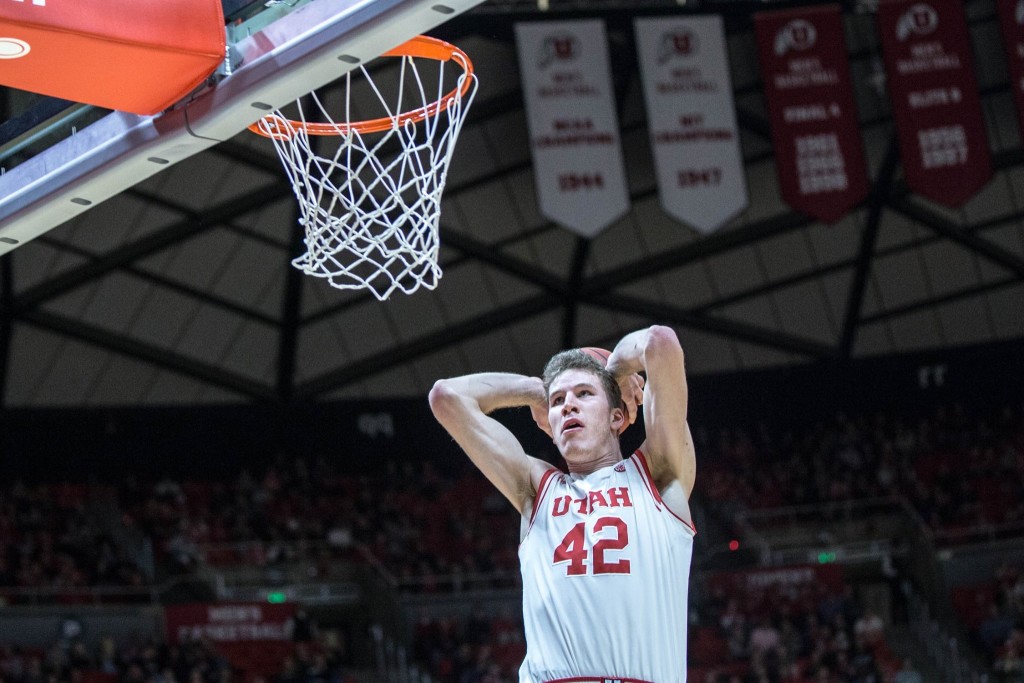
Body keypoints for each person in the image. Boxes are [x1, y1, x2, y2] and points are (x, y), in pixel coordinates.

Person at [429, 326, 697, 683]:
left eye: (584, 393)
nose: (568, 403)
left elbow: (660, 343)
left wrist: (618, 367)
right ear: (549, 425)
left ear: (617, 416)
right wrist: (535, 389)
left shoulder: (658, 473)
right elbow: (446, 396)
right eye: (558, 402)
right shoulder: (535, 488)